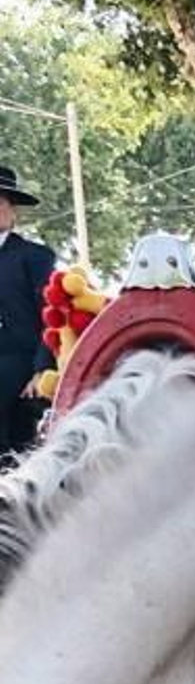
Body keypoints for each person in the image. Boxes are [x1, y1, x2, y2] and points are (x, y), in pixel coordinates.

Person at [0, 164, 55, 466]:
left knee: (16, 454)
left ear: (12, 209)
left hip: (20, 369)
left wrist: (42, 370)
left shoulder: (34, 257)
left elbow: (51, 314)